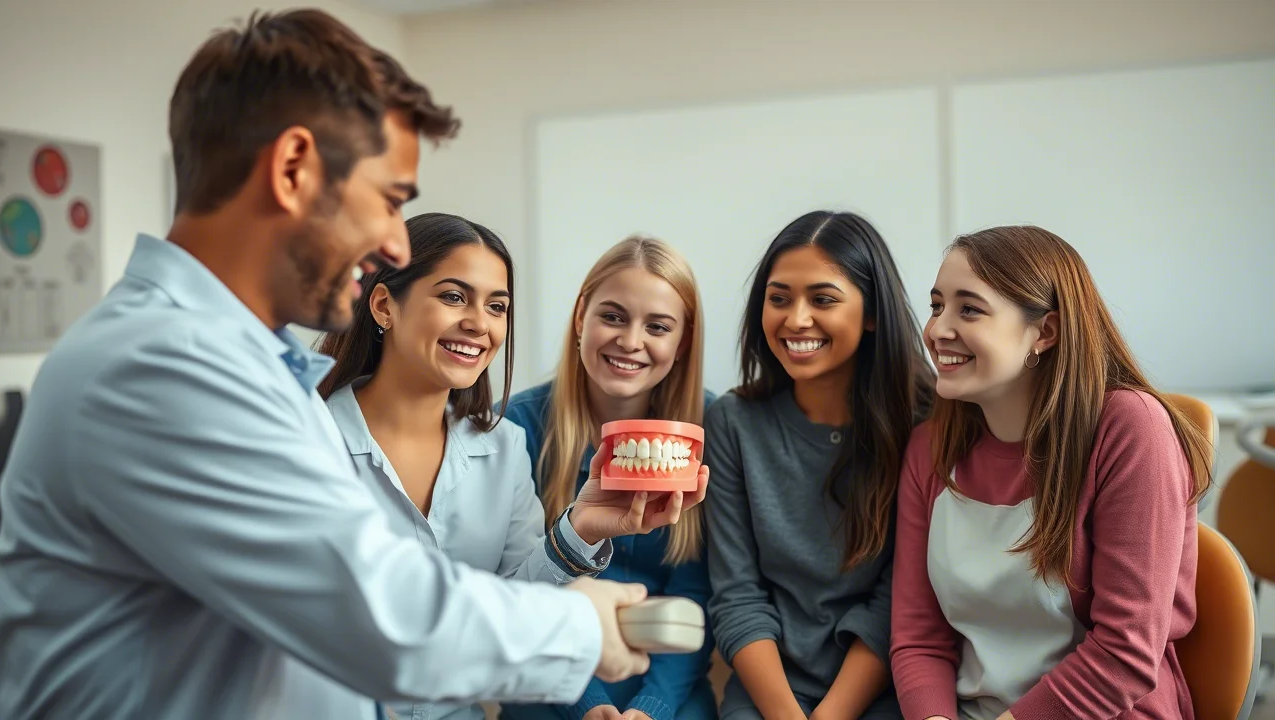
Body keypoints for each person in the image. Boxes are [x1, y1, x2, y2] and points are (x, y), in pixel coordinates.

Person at [0, 9, 677, 719]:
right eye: (388, 201)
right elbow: (376, 609)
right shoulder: (160, 366)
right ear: (292, 170)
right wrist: (583, 626)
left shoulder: (251, 365)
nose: (394, 243)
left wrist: (580, 543)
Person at [317, 217, 708, 720]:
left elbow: (519, 607)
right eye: (454, 297)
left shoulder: (503, 447)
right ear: (383, 305)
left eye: (496, 307)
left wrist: (580, 528)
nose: (479, 323)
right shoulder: (308, 437)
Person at [890, 226, 1212, 719]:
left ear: (1045, 332)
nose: (936, 330)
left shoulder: (1129, 429)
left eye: (969, 308)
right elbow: (919, 638)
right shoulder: (928, 449)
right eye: (937, 306)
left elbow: (1124, 655)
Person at [704, 211, 934, 720]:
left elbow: (898, 601)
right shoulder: (732, 422)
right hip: (768, 696)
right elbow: (737, 595)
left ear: (872, 313)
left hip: (885, 691)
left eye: (823, 299)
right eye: (779, 297)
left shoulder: (929, 424)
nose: (796, 319)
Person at [499, 236, 718, 720]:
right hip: (547, 693)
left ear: (683, 342)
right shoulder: (513, 428)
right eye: (613, 316)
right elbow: (516, 593)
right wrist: (589, 706)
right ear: (581, 317)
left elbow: (696, 593)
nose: (630, 340)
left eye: (657, 326)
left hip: (671, 696)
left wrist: (652, 708)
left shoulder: (716, 428)